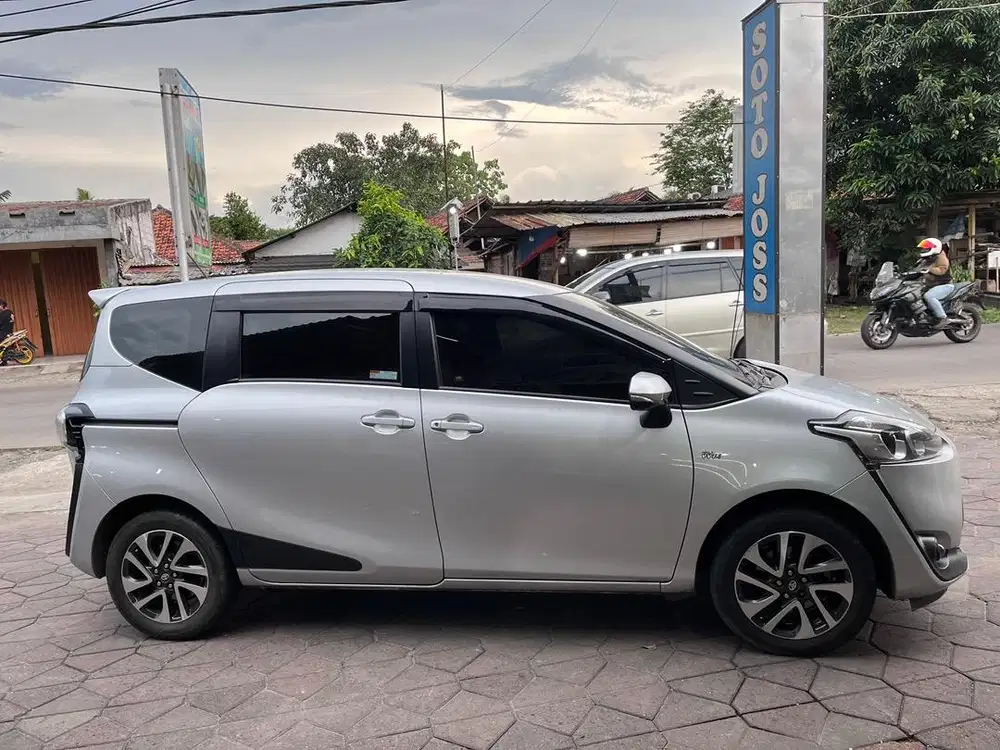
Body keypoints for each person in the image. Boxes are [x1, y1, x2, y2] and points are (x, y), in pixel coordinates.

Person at [916, 238, 954, 329]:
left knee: (929, 296)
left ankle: (942, 318)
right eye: (924, 248)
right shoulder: (925, 259)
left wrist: (929, 269)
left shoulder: (940, 257)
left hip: (944, 285)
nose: (924, 250)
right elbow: (916, 268)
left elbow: (942, 270)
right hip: (931, 286)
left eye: (927, 248)